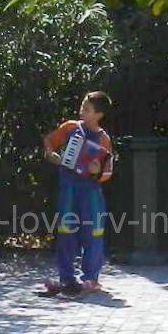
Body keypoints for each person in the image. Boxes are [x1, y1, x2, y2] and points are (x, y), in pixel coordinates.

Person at [42, 91, 113, 294]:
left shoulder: (103, 139)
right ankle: (66, 277)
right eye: (82, 107)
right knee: (66, 232)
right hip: (68, 189)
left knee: (93, 233)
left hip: (90, 193)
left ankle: (91, 278)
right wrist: (51, 154)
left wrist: (97, 171)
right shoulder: (71, 128)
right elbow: (49, 141)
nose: (82, 111)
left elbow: (108, 171)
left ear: (98, 115)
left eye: (87, 109)